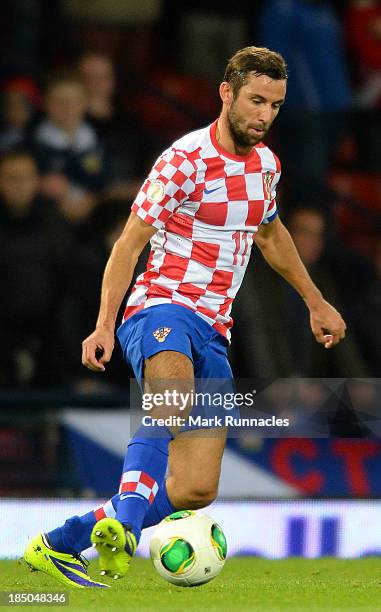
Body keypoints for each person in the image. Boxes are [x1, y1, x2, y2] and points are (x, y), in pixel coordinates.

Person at [24, 46, 346, 588]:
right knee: (170, 400)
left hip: (215, 328)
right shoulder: (184, 160)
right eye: (256, 101)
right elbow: (128, 245)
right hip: (161, 306)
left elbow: (269, 234)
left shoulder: (267, 165)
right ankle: (125, 529)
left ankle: (59, 544)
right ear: (227, 93)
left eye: (275, 105)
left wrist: (315, 301)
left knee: (196, 489)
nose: (264, 115)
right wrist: (104, 323)